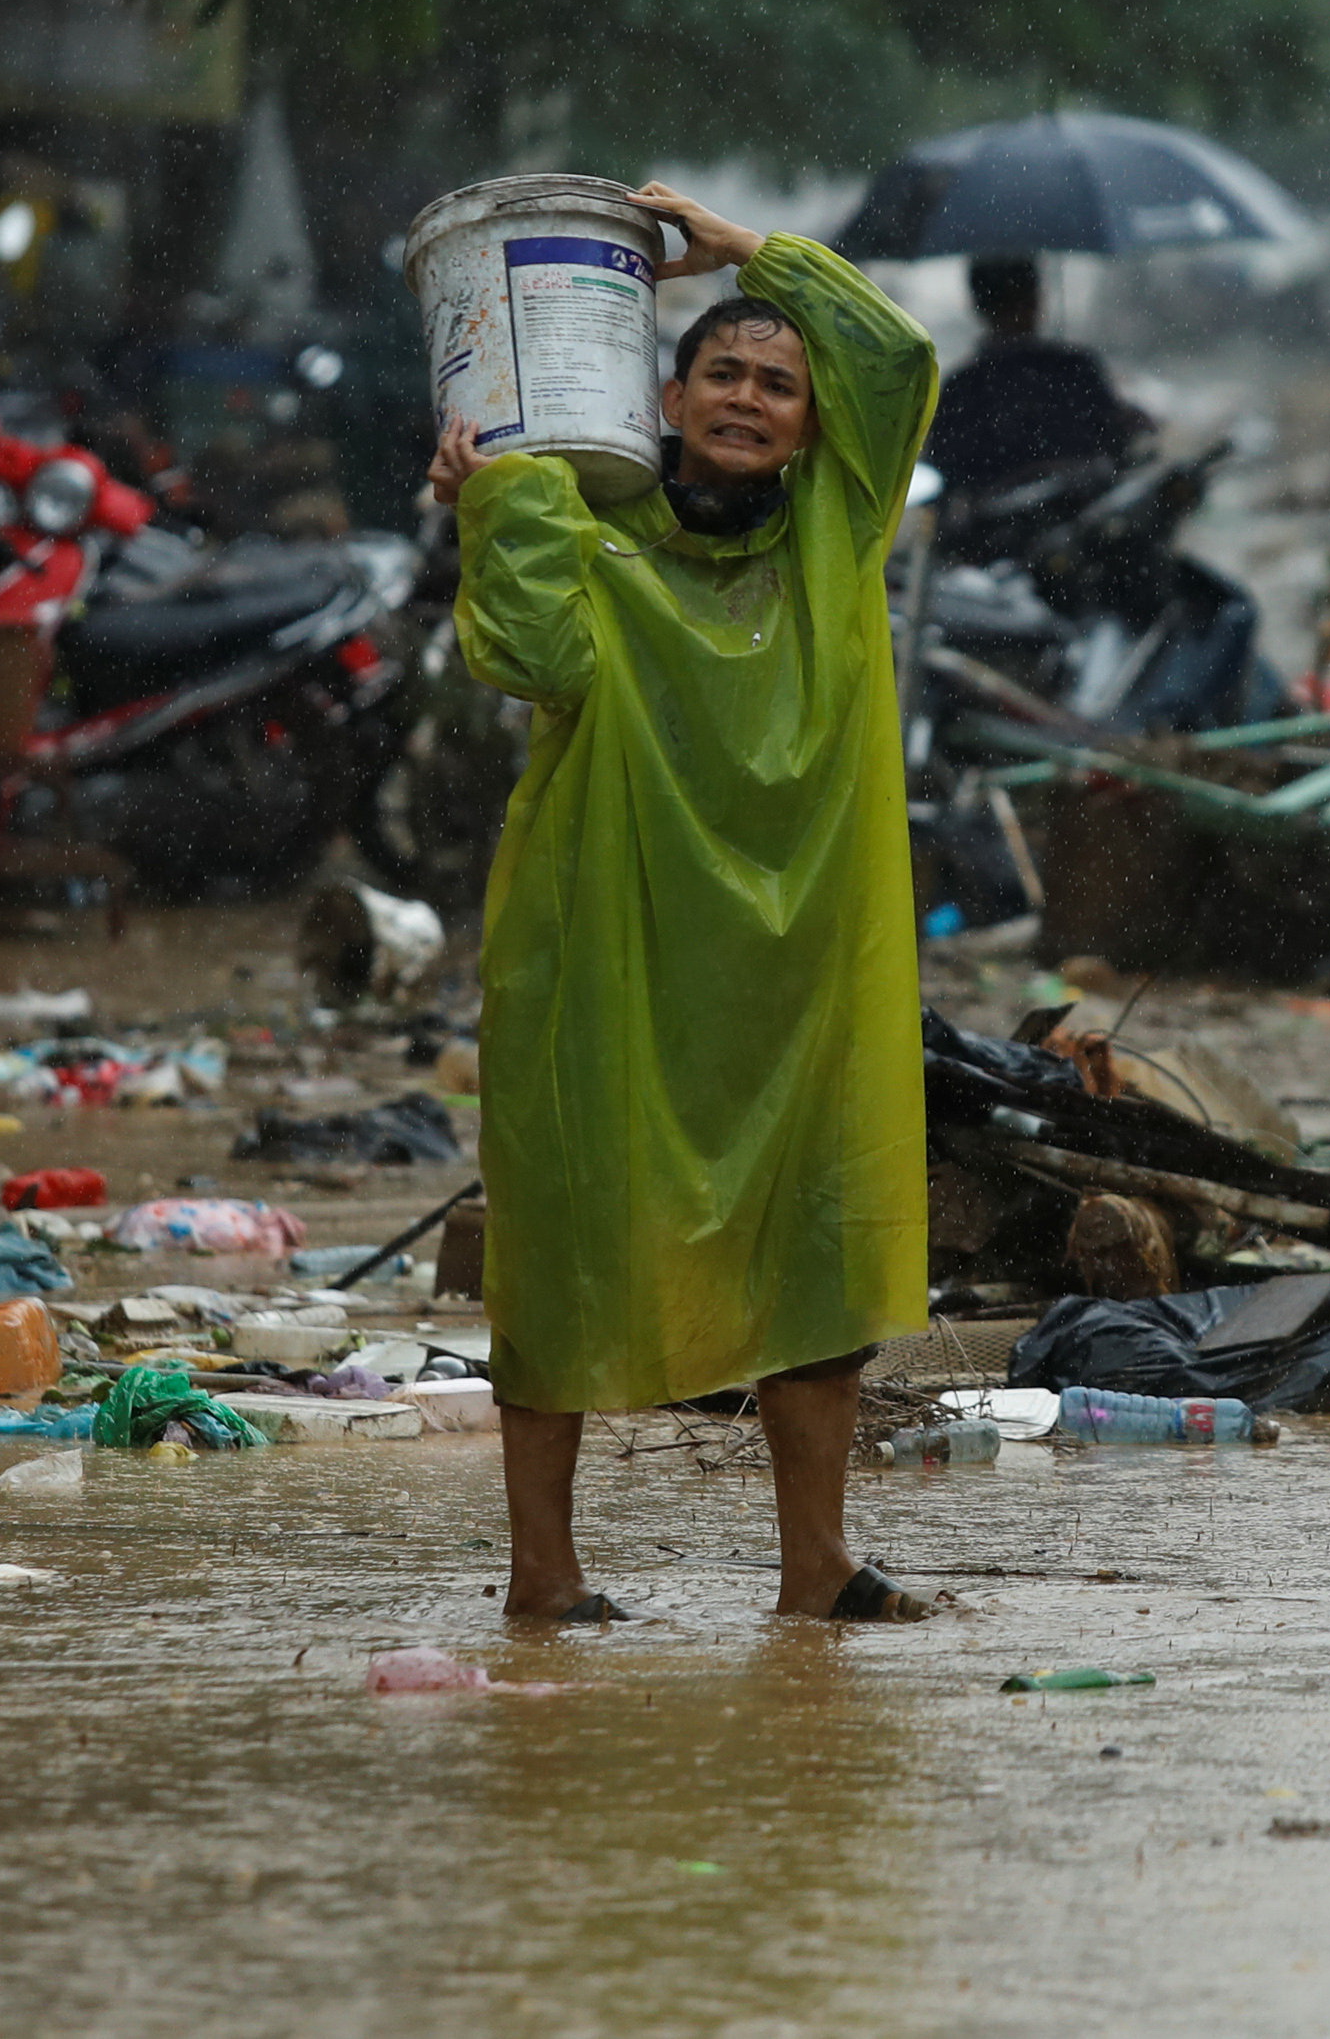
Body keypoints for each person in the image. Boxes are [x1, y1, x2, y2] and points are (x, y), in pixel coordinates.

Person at [429, 181, 935, 1625]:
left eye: (780, 383)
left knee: (820, 1252)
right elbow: (534, 658)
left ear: (811, 423)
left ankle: (818, 1564)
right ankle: (545, 1572)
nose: (753, 400)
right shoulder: (594, 530)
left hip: (804, 968)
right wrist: (507, 491)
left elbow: (892, 358)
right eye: (724, 370)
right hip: (612, 949)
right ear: (666, 393)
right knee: (567, 1235)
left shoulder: (842, 529)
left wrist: (743, 251)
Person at [920, 253, 1153, 494]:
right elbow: (1113, 438)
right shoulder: (1074, 369)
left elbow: (945, 468)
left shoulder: (962, 386)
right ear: (1037, 298)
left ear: (977, 305)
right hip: (1080, 512)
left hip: (996, 526)